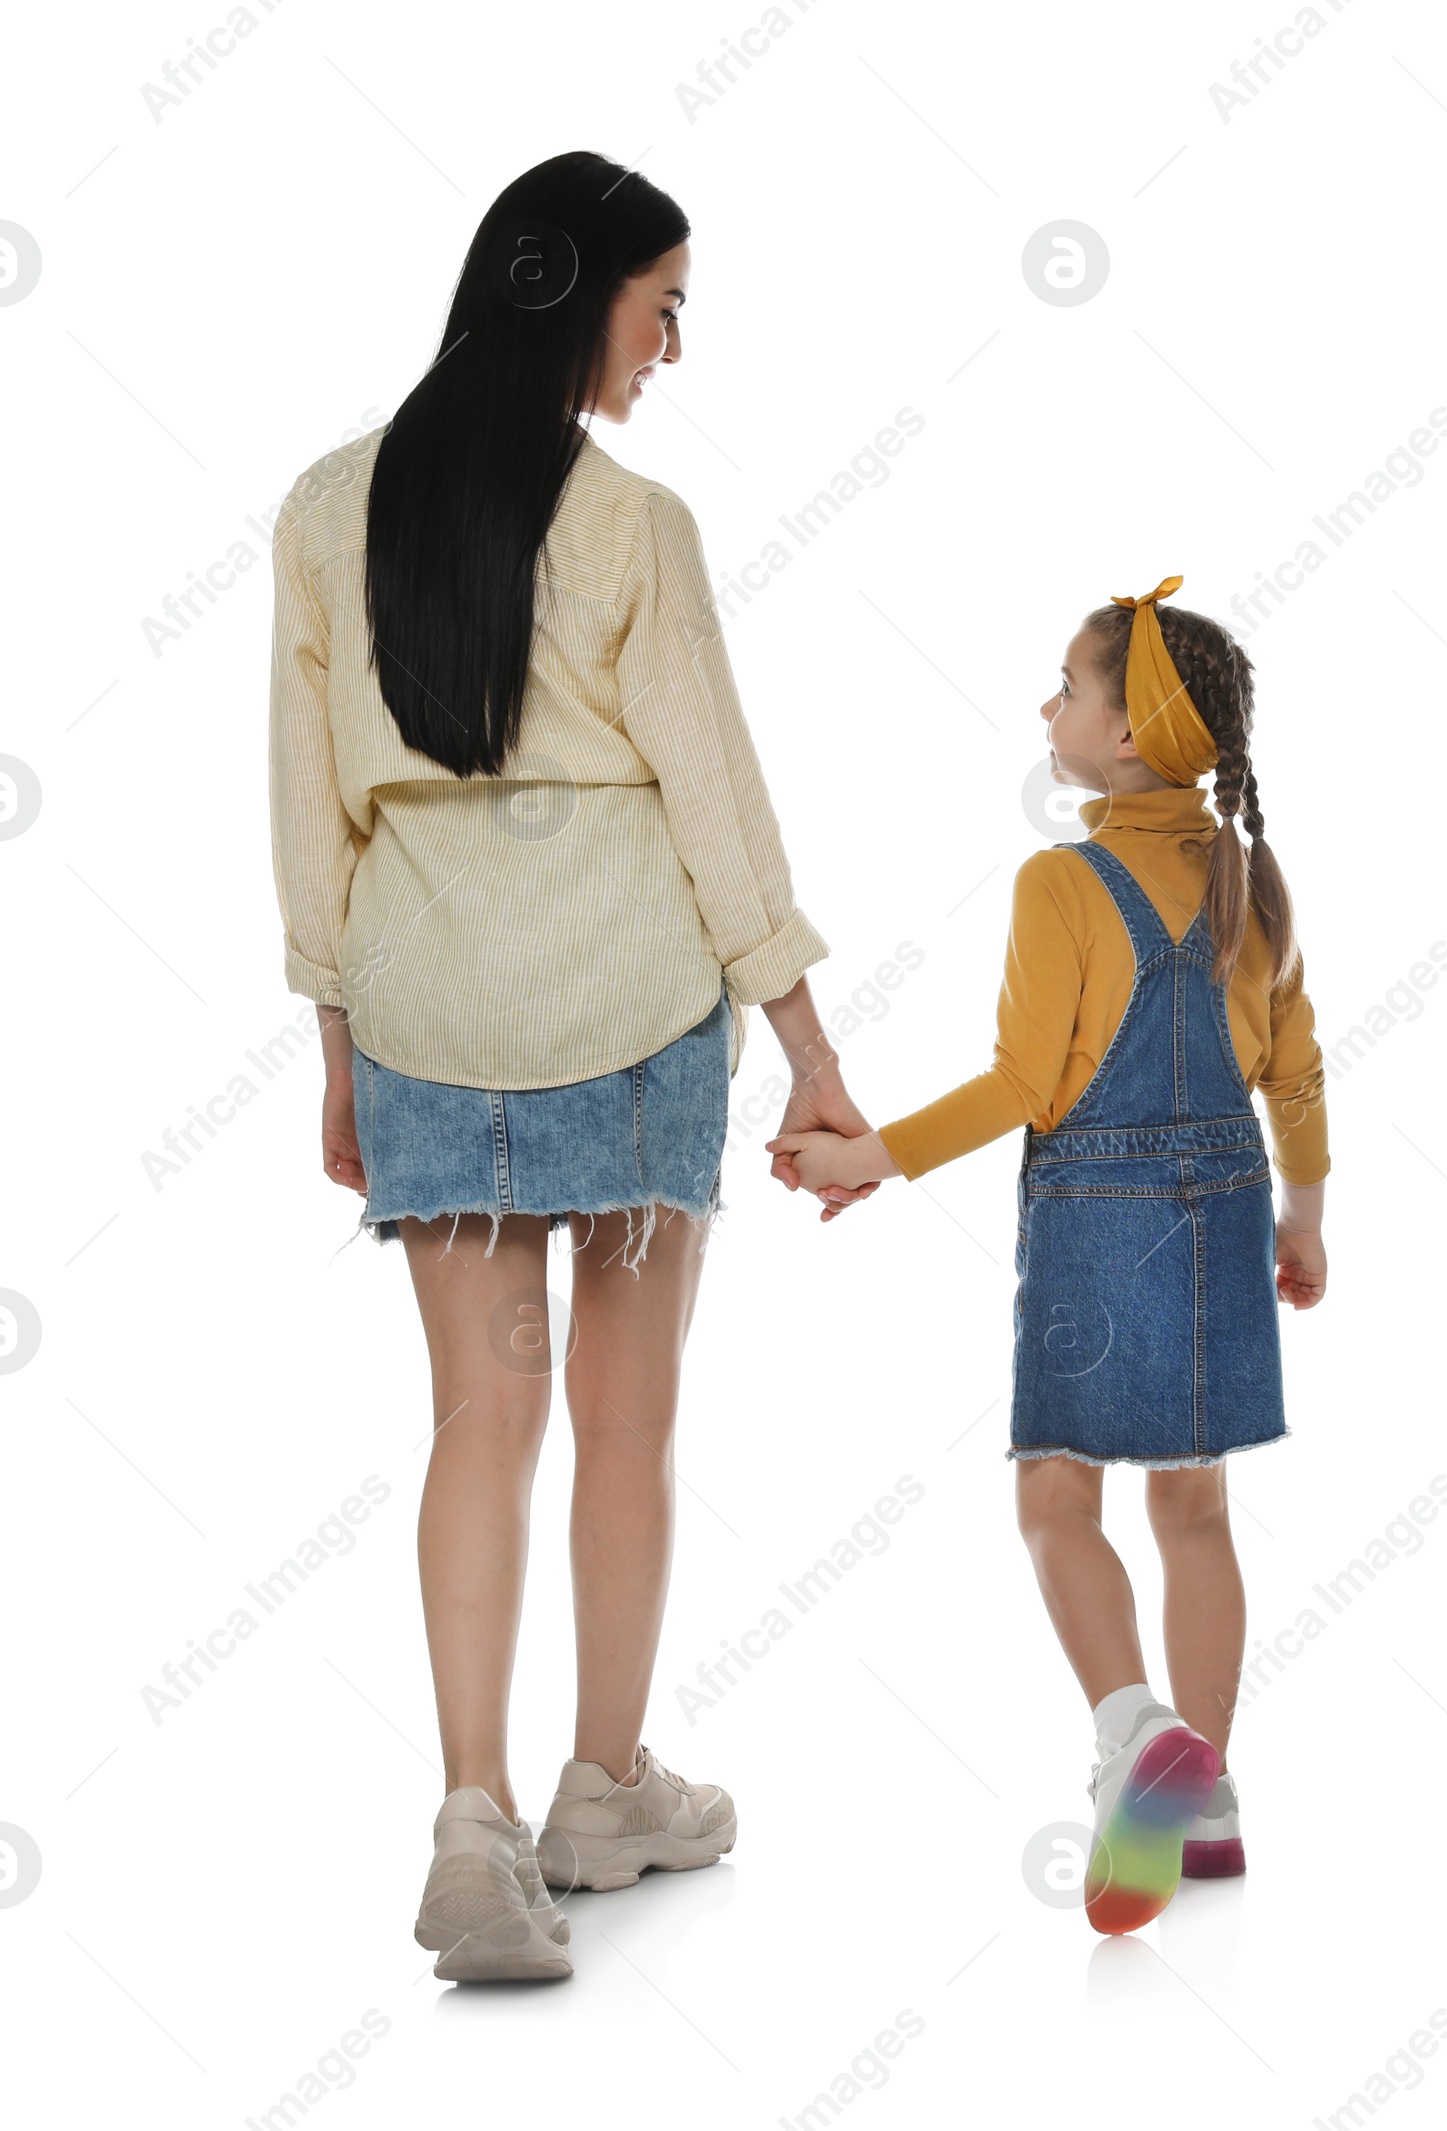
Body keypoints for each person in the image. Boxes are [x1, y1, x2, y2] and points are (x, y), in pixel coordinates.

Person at [267, 150, 877, 1981]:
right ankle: (604, 1786)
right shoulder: (635, 529)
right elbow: (719, 803)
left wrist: (335, 1051)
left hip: (427, 1016)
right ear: (577, 294)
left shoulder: (320, 509)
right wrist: (814, 1058)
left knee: (480, 1420)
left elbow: (310, 818)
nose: (668, 346)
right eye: (660, 304)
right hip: (627, 1014)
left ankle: (473, 1818)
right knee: (627, 1417)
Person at [767, 576, 1329, 1934]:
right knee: (1195, 1514)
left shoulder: (1061, 881)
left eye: (1068, 687)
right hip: (1231, 1204)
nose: (1047, 706)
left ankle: (1135, 1734)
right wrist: (1305, 1216)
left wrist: (871, 1155)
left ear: (1127, 734)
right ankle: (1209, 1795)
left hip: (1099, 1217)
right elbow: (1295, 1066)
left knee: (1054, 1504)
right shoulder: (1253, 881)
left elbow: (1027, 1082)